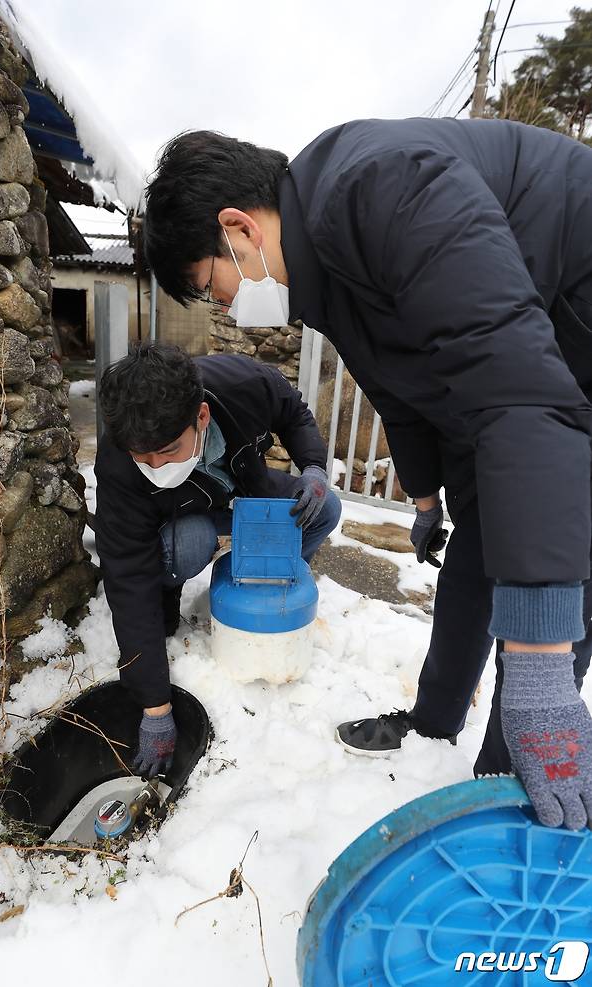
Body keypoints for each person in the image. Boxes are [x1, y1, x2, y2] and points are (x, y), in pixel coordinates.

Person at [142, 120, 592, 830]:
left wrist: (540, 651)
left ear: (237, 227)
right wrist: (422, 491)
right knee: (478, 544)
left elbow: (518, 389)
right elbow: (398, 378)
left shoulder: (384, 189)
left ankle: (507, 798)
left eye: (213, 284)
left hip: (572, 319)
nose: (225, 305)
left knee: (549, 559)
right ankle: (434, 720)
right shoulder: (322, 264)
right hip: (523, 357)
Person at [94, 343, 341, 780]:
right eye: (142, 456)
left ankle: (261, 576)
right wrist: (154, 705)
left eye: (168, 450)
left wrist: (314, 468)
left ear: (201, 417)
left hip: (240, 490)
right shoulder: (119, 460)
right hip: (180, 518)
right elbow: (127, 577)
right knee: (192, 540)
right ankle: (171, 591)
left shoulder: (246, 384)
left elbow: (295, 414)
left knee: (325, 509)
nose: (155, 465)